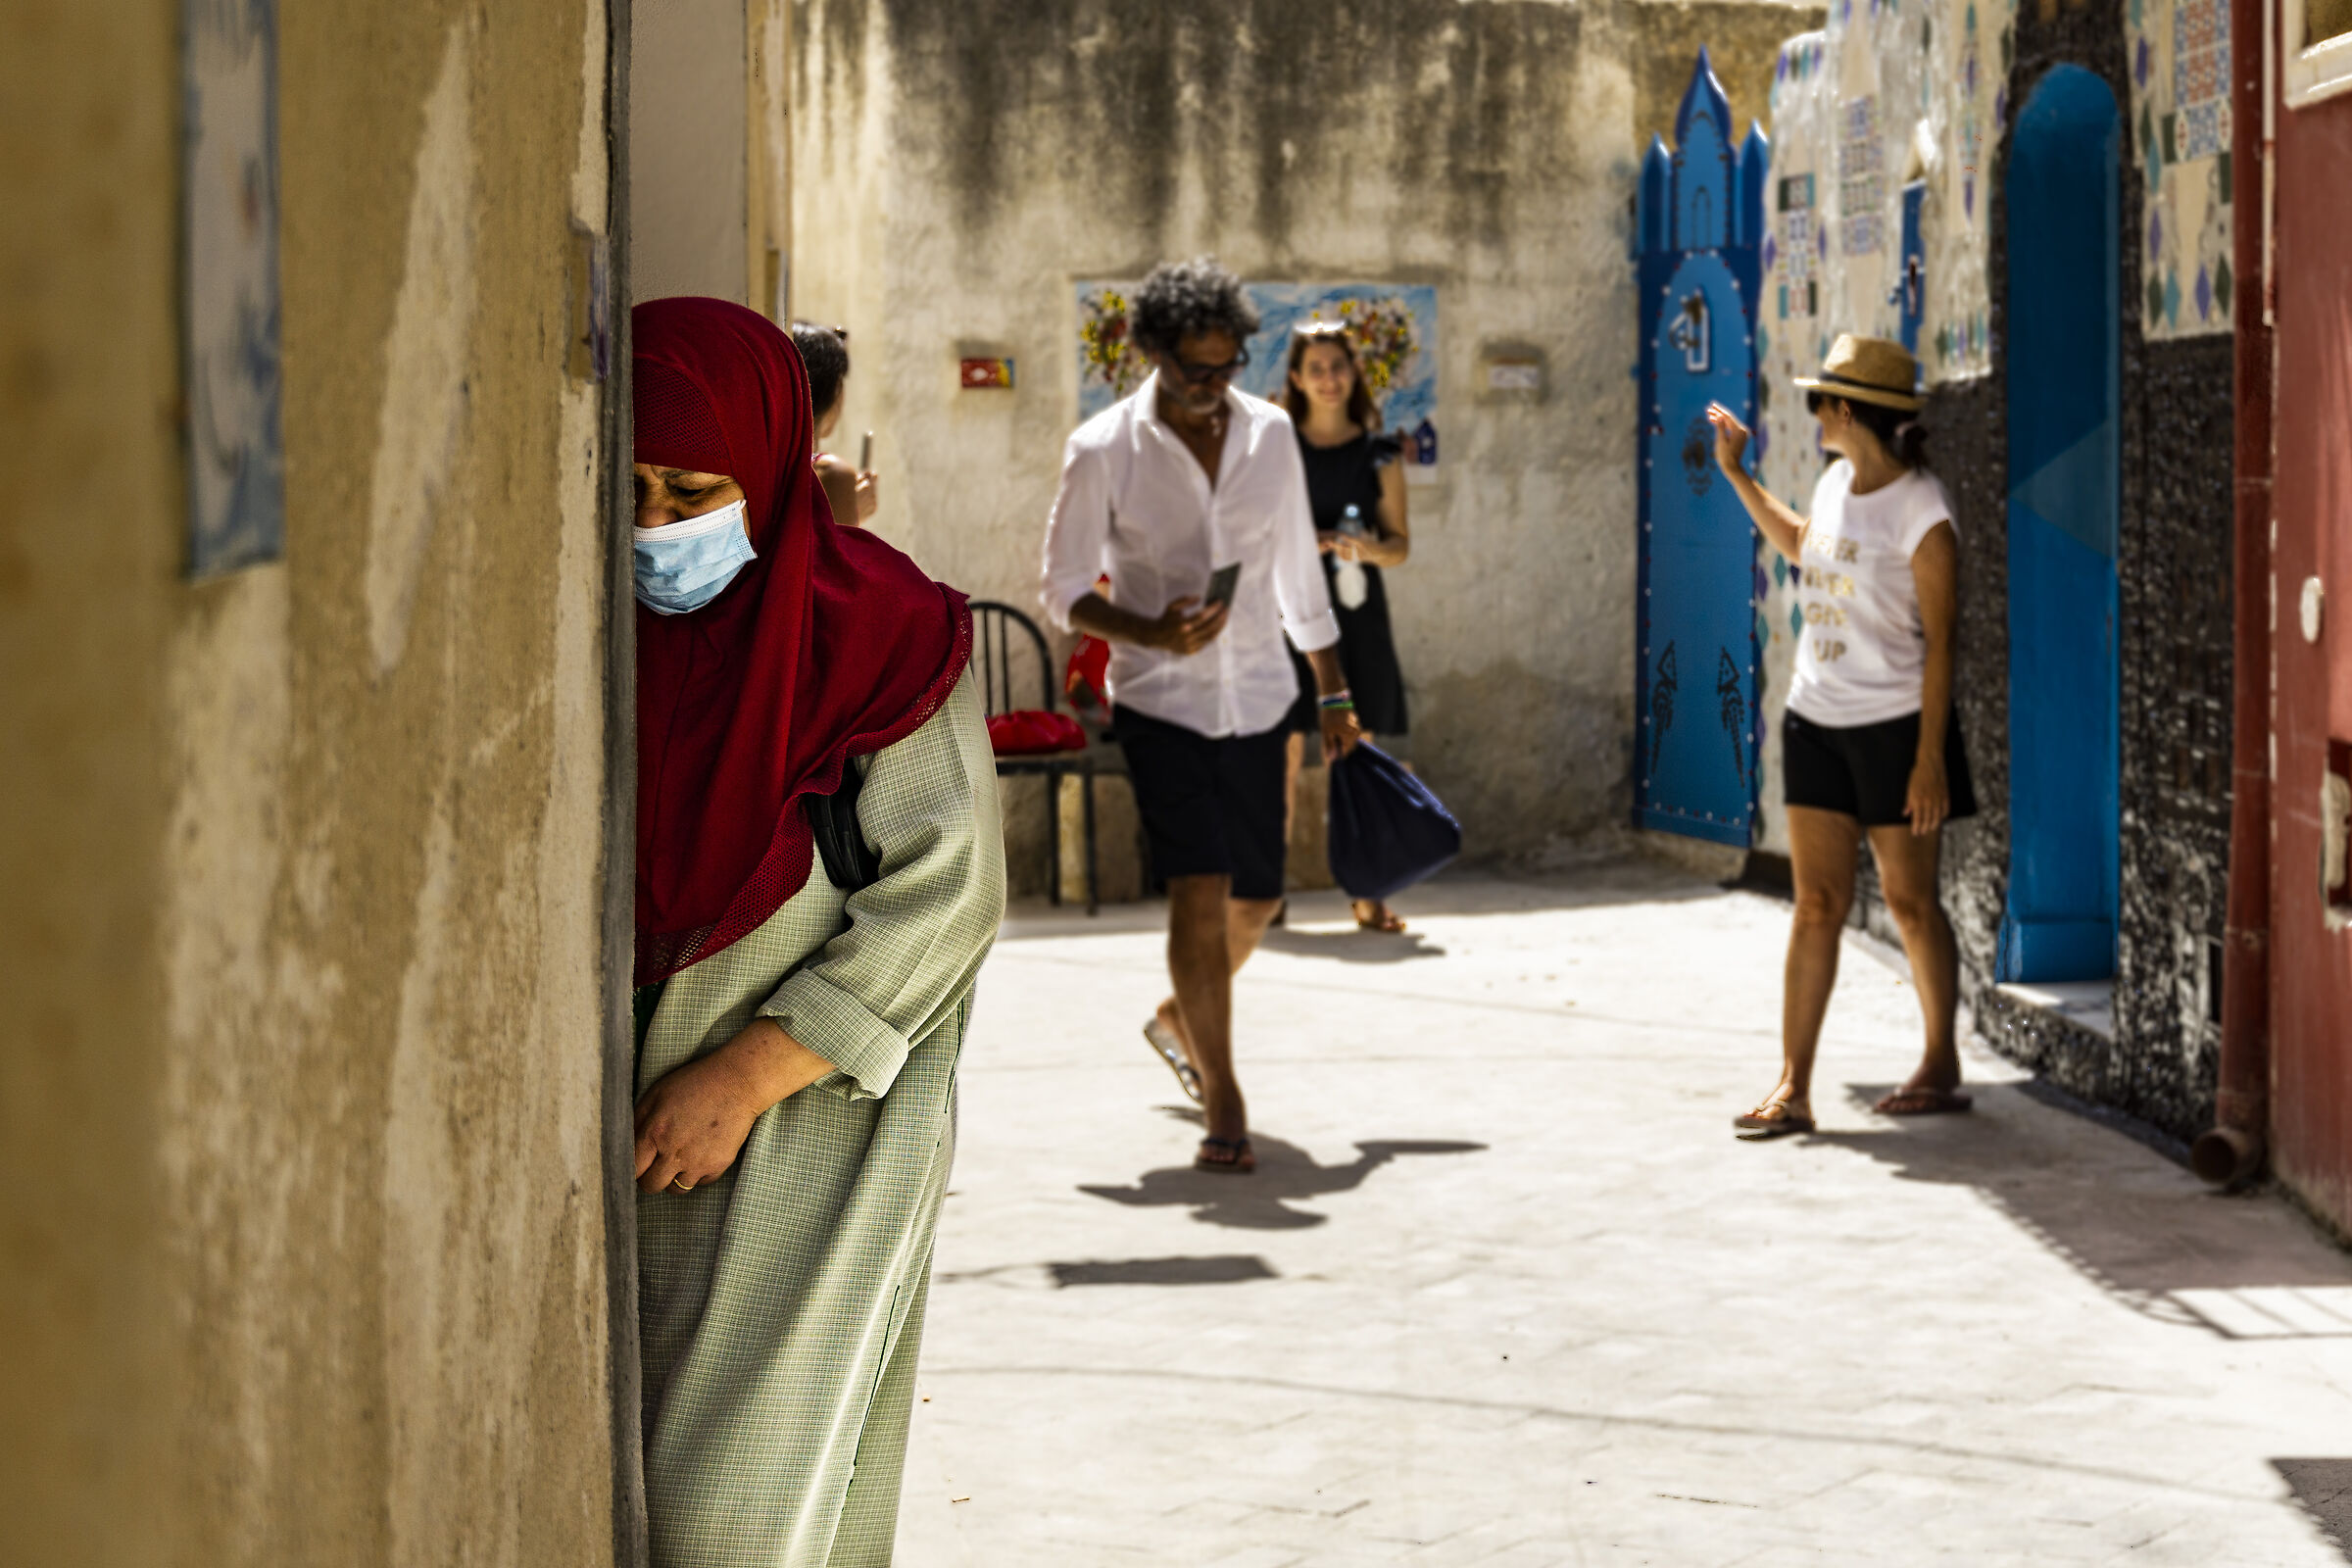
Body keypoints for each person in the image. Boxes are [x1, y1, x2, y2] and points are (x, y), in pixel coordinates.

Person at [628, 296, 1005, 1563]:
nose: (659, 526)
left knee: (729, 1509)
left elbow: (949, 896)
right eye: (630, 489)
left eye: (695, 489)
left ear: (776, 468)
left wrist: (745, 1074)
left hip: (814, 1120)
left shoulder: (887, 639)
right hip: (644, 1125)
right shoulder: (605, 635)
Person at [1040, 257, 1362, 1175]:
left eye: (1225, 369)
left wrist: (1333, 688)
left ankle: (1182, 1015)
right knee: (1198, 883)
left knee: (1259, 896)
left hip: (1263, 694)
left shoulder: (1270, 437)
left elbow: (1300, 575)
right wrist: (1147, 630)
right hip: (1161, 701)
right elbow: (1062, 591)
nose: (1210, 389)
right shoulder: (1104, 448)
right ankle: (1223, 1090)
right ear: (1152, 354)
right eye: (1192, 371)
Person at [1705, 333, 1978, 1140]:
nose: (1813, 411)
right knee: (1815, 902)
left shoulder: (1924, 513)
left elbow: (1943, 640)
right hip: (1815, 718)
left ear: (1847, 410)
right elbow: (1803, 550)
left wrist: (1930, 759)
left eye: (1819, 400)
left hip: (1895, 729)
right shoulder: (1832, 483)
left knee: (1909, 901)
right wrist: (1738, 476)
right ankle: (1792, 1087)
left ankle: (1938, 1059)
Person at [1279, 322, 1414, 933]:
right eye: (1317, 368)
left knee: (1355, 753)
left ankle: (1368, 892)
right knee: (1278, 754)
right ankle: (1266, 892)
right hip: (1286, 613)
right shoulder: (1275, 450)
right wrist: (1306, 545)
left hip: (1358, 614)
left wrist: (1357, 547)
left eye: (1339, 366)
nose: (1329, 378)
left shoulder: (1379, 454)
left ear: (1353, 373)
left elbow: (1399, 547)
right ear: (1296, 378)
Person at [789, 318, 877, 526]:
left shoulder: (764, 465)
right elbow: (835, 558)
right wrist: (852, 515)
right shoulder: (832, 474)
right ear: (835, 392)